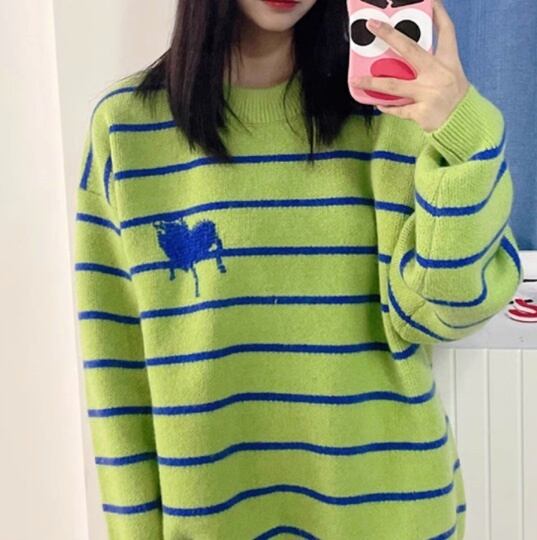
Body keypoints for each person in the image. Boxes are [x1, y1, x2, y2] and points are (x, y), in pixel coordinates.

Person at [73, 0, 522, 538]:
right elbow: (116, 364)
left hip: (385, 511)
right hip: (214, 515)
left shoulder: (388, 114)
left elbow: (442, 313)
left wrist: (463, 136)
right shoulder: (126, 128)